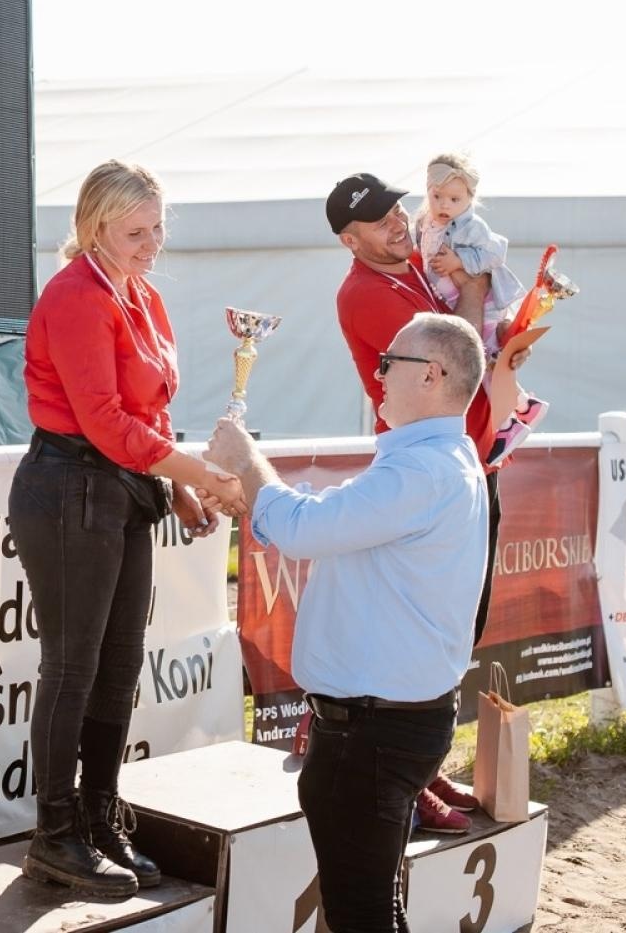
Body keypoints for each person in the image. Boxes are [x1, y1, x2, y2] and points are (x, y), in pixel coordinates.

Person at [207, 312, 490, 933]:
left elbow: (307, 530)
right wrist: (256, 490)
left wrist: (246, 462)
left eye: (389, 362)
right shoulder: (440, 459)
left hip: (371, 729)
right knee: (368, 902)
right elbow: (322, 522)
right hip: (381, 723)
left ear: (433, 375)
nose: (377, 374)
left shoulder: (422, 468)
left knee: (360, 911)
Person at [10, 160, 244, 898]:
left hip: (117, 489)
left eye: (157, 228)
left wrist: (177, 484)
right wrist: (200, 473)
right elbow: (106, 421)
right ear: (94, 228)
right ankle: (54, 836)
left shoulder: (141, 295)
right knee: (72, 666)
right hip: (69, 485)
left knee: (117, 665)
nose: (151, 243)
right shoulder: (76, 294)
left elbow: (148, 417)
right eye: (135, 231)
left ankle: (99, 816)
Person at [326, 170, 525, 833]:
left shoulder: (410, 265)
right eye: (379, 220)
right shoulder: (363, 292)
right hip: (425, 470)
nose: (397, 222)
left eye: (396, 208)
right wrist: (473, 290)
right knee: (424, 627)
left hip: (460, 460)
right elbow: (457, 359)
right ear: (349, 240)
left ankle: (423, 762)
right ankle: (406, 777)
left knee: (454, 625)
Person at [412, 152, 544, 462]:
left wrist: (461, 261)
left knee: (480, 357)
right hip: (455, 297)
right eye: (437, 196)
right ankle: (524, 405)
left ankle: (510, 419)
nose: (445, 205)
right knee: (486, 356)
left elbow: (496, 253)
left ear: (470, 198)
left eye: (455, 199)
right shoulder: (424, 223)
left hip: (480, 301)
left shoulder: (470, 226)